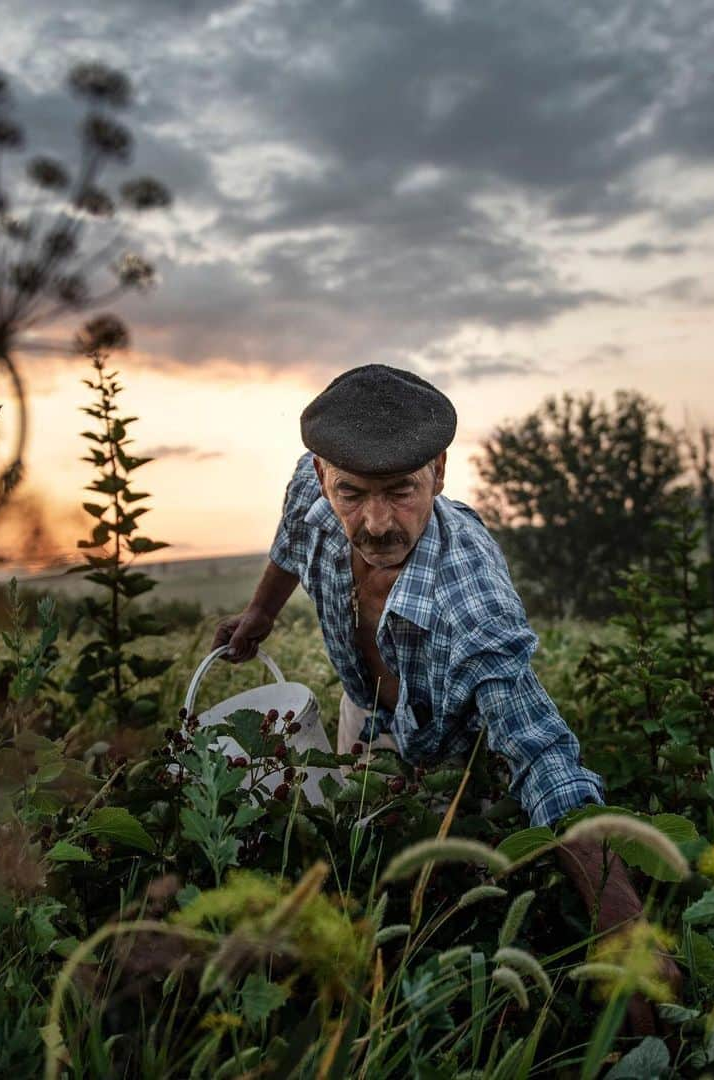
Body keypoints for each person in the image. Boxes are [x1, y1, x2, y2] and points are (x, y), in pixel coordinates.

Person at [213, 363, 680, 1033]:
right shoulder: (309, 485)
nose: (375, 522)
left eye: (401, 490)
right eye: (351, 493)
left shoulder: (472, 602)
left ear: (439, 470)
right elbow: (292, 536)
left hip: (452, 753)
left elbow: (542, 755)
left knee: (433, 906)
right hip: (361, 710)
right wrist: (259, 615)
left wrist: (623, 924)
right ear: (322, 475)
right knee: (351, 863)